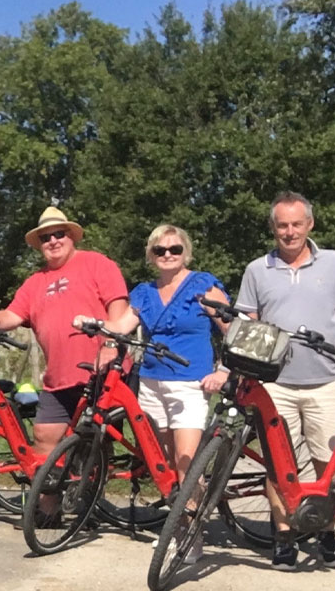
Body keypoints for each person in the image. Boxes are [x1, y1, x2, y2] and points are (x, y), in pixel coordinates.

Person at [234, 192, 335, 570]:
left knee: (327, 464)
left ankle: (327, 533)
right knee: (278, 467)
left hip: (324, 381)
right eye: (282, 225)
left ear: (310, 224)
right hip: (274, 385)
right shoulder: (257, 269)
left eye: (296, 224)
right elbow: (247, 322)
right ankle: (285, 537)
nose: (289, 232)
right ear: (272, 228)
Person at [74, 224, 231, 564]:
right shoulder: (144, 292)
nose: (168, 255)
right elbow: (122, 326)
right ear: (151, 255)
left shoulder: (203, 285)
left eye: (174, 249)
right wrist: (95, 324)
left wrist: (224, 370)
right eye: (160, 251)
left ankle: (192, 533)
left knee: (186, 465)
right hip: (151, 383)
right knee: (164, 463)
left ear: (185, 252)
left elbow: (234, 326)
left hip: (190, 383)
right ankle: (177, 525)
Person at [0, 206, 129, 457]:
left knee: (94, 446)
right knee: (43, 439)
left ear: (71, 236)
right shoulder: (35, 282)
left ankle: (88, 495)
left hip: (101, 372)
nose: (53, 241)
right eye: (45, 237)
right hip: (59, 379)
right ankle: (47, 496)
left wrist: (110, 345)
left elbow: (118, 306)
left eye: (59, 234)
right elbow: (12, 315)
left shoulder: (96, 263)